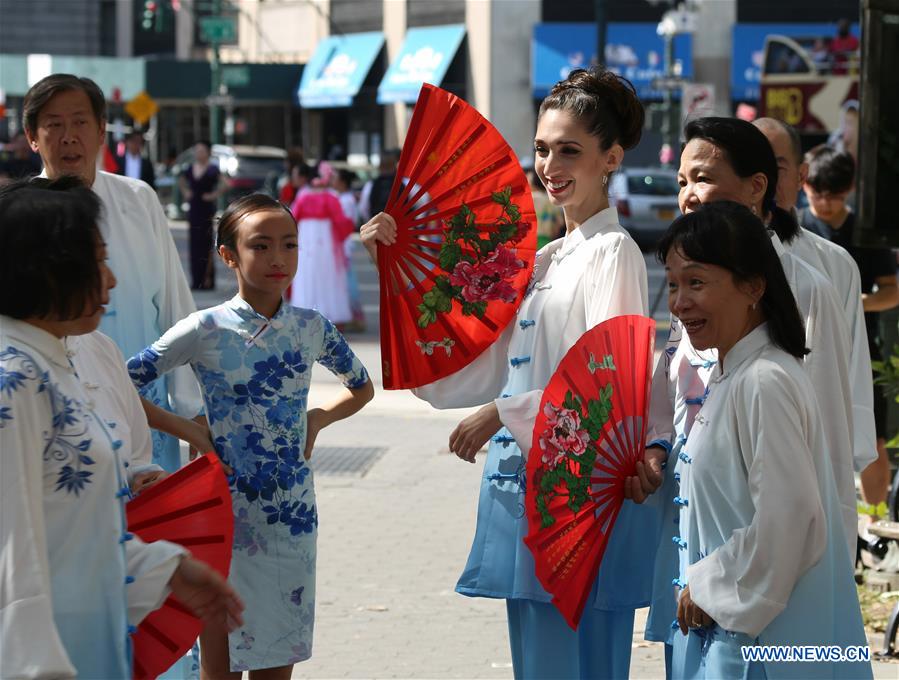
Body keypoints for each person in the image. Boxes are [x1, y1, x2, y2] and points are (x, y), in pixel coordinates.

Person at [362, 66, 655, 678]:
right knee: (537, 650)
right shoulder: (547, 257)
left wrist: (504, 411)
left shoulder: (613, 252)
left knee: (575, 654)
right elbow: (478, 360)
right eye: (543, 150)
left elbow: (612, 378)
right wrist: (394, 267)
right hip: (527, 474)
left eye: (570, 150)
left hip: (578, 487)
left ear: (612, 157)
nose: (550, 165)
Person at [0, 177, 243, 679]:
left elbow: (70, 529)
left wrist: (165, 568)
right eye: (98, 261)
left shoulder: (54, 363)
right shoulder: (14, 381)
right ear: (46, 270)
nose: (111, 280)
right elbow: (13, 554)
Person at [127, 194, 374, 677]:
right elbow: (120, 382)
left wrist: (318, 418)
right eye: (260, 246)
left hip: (292, 514)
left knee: (279, 656)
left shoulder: (311, 327)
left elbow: (362, 388)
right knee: (219, 661)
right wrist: (188, 431)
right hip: (222, 511)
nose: (278, 258)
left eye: (289, 244)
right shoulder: (205, 327)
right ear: (228, 255)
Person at [643, 117, 859, 670]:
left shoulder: (778, 347)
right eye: (673, 285)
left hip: (760, 611)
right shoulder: (727, 358)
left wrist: (715, 586)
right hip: (711, 581)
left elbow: (804, 492)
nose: (681, 303)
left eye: (696, 284)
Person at [22, 73, 203, 473]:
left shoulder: (138, 201)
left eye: (81, 122)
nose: (69, 136)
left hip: (150, 418)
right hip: (57, 417)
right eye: (54, 124)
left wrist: (194, 410)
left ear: (102, 130)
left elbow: (177, 310)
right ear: (32, 136)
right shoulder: (22, 219)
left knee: (152, 525)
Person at [753, 117, 876, 491]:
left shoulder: (834, 264)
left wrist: (838, 460)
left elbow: (849, 369)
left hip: (811, 451)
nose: (762, 182)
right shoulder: (708, 257)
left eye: (776, 167)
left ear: (801, 174)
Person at [800, 145, 899, 527]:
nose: (825, 203)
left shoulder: (865, 231)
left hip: (863, 350)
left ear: (850, 190)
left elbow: (891, 290)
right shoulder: (798, 226)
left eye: (835, 195)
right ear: (803, 185)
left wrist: (856, 305)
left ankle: (874, 520)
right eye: (817, 193)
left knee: (871, 437)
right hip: (808, 347)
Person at [290, 163, 355, 326]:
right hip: (326, 242)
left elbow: (292, 218)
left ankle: (304, 312)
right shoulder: (331, 197)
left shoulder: (303, 197)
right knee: (328, 276)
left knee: (306, 274)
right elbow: (342, 222)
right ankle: (330, 314)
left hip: (306, 240)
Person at [179, 140, 227, 290]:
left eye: (202, 150)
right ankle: (195, 280)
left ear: (208, 153)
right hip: (194, 209)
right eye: (197, 150)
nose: (199, 153)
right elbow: (180, 181)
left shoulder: (213, 169)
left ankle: (207, 280)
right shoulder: (189, 168)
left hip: (206, 210)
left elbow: (226, 184)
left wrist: (214, 195)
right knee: (194, 244)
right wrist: (186, 192)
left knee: (205, 244)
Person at [332, 167, 366, 332]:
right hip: (341, 245)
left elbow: (344, 224)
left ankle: (356, 317)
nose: (333, 181)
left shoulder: (346, 200)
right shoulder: (342, 198)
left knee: (348, 282)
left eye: (336, 178)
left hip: (343, 247)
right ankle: (353, 316)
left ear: (342, 182)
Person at [526, 164, 565, 249]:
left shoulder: (529, 198)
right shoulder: (553, 201)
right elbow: (560, 222)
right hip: (547, 242)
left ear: (532, 182)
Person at [359, 148, 399, 222]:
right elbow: (422, 201)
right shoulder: (405, 183)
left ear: (379, 166)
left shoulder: (370, 186)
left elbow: (363, 209)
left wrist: (371, 223)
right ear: (395, 165)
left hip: (378, 229)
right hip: (403, 230)